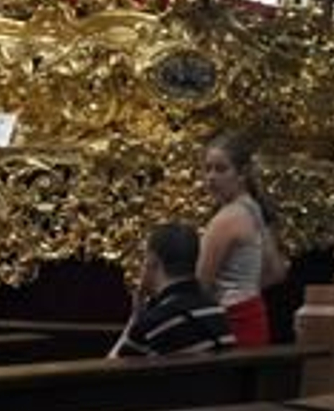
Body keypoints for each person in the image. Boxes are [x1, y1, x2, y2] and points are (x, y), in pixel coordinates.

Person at [197, 133, 286, 347]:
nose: (211, 177)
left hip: (231, 321)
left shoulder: (227, 219)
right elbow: (276, 272)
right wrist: (245, 288)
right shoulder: (254, 209)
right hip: (254, 314)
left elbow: (200, 284)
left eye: (221, 169)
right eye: (207, 168)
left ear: (242, 174)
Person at [110, 223, 235, 357]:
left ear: (152, 262)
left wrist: (135, 318)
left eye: (144, 257)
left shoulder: (152, 324)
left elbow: (109, 371)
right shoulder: (217, 312)